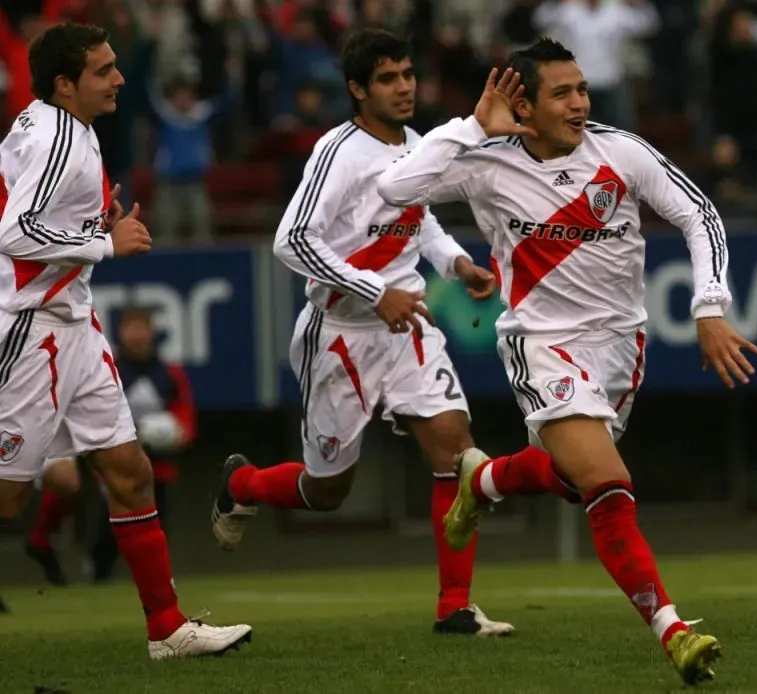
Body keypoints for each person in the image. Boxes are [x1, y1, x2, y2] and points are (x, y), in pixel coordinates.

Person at [377, 38, 757, 685]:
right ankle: (671, 630)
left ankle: (485, 481)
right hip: (541, 342)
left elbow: (698, 215)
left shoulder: (621, 151)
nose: (580, 102)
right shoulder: (485, 162)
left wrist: (710, 305)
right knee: (608, 484)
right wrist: (473, 127)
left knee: (571, 477)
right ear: (523, 104)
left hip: (620, 347)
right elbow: (394, 187)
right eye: (562, 92)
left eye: (581, 88)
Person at [210, 28, 567, 637]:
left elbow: (418, 218)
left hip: (411, 325)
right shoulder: (337, 152)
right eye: (388, 78)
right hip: (342, 332)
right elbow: (291, 241)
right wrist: (377, 293)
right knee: (327, 491)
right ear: (356, 89)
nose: (405, 87)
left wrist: (455, 261)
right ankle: (241, 484)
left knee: (458, 452)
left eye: (408, 74)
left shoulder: (417, 143)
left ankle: (454, 606)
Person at [0, 22, 251, 659]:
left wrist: (91, 222)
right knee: (7, 497)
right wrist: (105, 243)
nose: (118, 78)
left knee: (130, 471)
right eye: (103, 70)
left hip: (74, 323)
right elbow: (15, 233)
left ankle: (166, 629)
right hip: (34, 329)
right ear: (65, 84)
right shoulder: (61, 138)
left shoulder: (54, 125)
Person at [24, 306, 197, 585]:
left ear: (153, 332)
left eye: (143, 328)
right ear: (120, 332)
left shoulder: (170, 373)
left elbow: (186, 419)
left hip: (158, 462)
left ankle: (153, 578)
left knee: (152, 515)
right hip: (110, 449)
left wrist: (177, 433)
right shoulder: (107, 367)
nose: (138, 335)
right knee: (76, 486)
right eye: (132, 328)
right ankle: (80, 557)